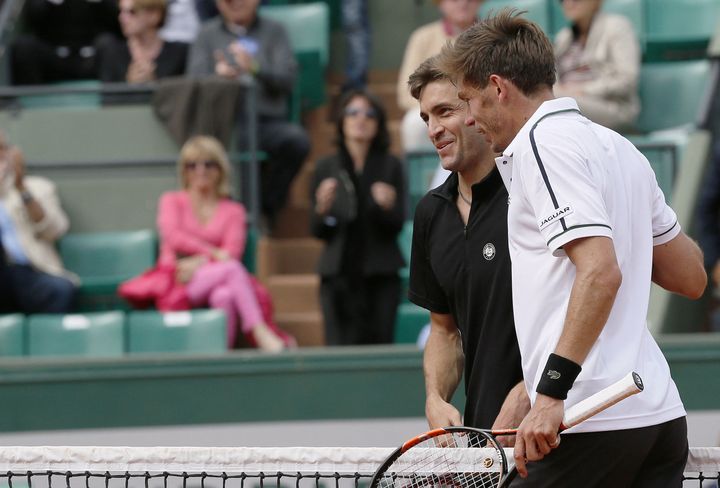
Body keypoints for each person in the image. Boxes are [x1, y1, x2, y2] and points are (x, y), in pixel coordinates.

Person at [438, 9, 707, 485]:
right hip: (658, 420)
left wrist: (549, 394)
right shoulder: (619, 148)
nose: (470, 118)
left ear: (499, 88)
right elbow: (690, 276)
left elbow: (600, 272)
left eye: (468, 100)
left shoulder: (542, 145)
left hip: (589, 421)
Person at [406, 56, 525, 431]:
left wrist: (533, 391)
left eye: (444, 111)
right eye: (426, 118)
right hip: (485, 439)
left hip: (555, 426)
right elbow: (443, 329)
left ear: (476, 107)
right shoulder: (430, 213)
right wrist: (436, 399)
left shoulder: (530, 189)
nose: (433, 129)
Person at [155, 135, 294, 352]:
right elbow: (173, 237)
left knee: (225, 296)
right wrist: (211, 253)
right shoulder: (171, 200)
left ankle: (221, 355)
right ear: (184, 171)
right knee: (230, 270)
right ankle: (259, 330)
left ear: (220, 169)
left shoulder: (233, 211)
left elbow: (231, 253)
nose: (200, 170)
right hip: (177, 279)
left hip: (212, 278)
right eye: (192, 165)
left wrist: (199, 262)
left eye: (208, 164)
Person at [187, 0, 310, 229]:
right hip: (223, 123)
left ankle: (266, 207)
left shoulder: (275, 30)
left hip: (266, 120)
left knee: (296, 140)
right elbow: (193, 82)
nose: (235, 3)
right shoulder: (206, 34)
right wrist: (219, 78)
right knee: (235, 141)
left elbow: (287, 79)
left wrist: (254, 68)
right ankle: (241, 217)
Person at [310, 90, 406, 346]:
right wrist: (323, 209)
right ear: (342, 120)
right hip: (337, 274)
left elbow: (397, 223)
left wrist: (386, 206)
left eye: (369, 114)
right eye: (353, 113)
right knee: (338, 350)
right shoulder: (326, 167)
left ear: (379, 123)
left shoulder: (391, 165)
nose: (360, 119)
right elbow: (317, 230)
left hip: (380, 274)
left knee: (380, 347)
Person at [0, 131, 77, 314]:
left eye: (1, 148)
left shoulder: (37, 187)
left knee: (60, 290)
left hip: (32, 272)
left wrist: (21, 189)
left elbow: (55, 230)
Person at [397, 0, 482, 153]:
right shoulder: (422, 37)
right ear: (440, 3)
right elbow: (405, 92)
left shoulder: (491, 35)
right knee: (413, 123)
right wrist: (440, 110)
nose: (463, 3)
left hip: (479, 106)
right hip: (437, 109)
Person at [553, 0, 640, 131]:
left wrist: (582, 90)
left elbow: (627, 80)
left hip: (610, 106)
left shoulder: (617, 26)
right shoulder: (563, 37)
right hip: (567, 100)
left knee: (553, 101)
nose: (568, 3)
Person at [10, 0, 121, 85]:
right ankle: (30, 107)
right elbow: (31, 19)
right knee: (24, 46)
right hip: (55, 57)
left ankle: (112, 103)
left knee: (108, 43)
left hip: (91, 58)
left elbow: (118, 24)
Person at [95, 0, 189, 84]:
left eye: (132, 12)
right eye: (121, 11)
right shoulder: (112, 52)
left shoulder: (180, 53)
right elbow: (107, 98)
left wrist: (152, 83)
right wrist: (128, 85)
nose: (122, 18)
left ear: (154, 15)